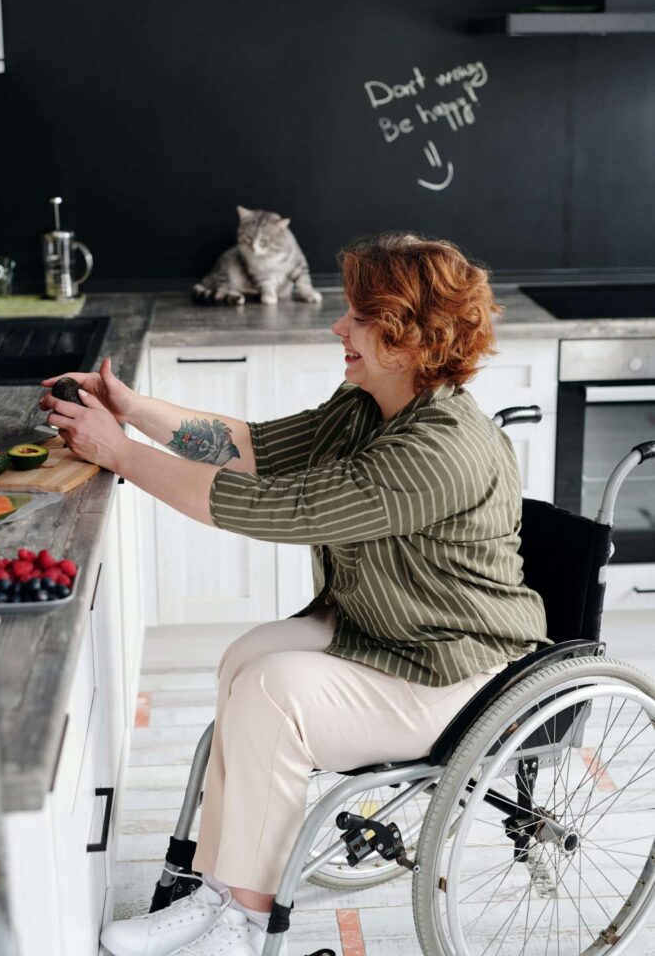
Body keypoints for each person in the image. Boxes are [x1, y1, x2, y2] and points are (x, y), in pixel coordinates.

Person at [40, 233, 548, 956]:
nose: (336, 328)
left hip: (453, 669)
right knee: (247, 658)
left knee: (274, 690)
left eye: (357, 317)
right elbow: (256, 448)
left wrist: (119, 452)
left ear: (407, 336)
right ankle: (221, 890)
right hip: (388, 627)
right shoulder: (368, 403)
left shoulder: (436, 451)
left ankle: (246, 923)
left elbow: (271, 507)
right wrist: (132, 408)